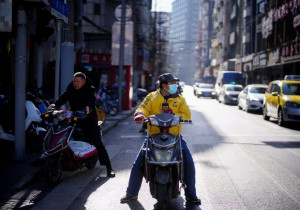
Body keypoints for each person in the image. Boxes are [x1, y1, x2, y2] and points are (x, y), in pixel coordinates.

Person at [120, 73, 201, 205]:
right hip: (153, 136)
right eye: (172, 83)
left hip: (175, 136)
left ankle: (191, 195)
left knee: (188, 161)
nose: (175, 85)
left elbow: (186, 114)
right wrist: (140, 114)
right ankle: (131, 193)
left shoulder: (180, 99)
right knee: (138, 162)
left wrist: (174, 115)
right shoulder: (152, 97)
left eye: (175, 83)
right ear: (164, 85)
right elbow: (143, 107)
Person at [49, 72, 115, 177]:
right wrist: (54, 105)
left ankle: (109, 167)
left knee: (98, 143)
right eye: (74, 81)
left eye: (78, 81)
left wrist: (87, 108)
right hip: (75, 118)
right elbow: (63, 98)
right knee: (62, 134)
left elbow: (90, 101)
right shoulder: (71, 89)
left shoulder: (89, 90)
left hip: (89, 119)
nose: (75, 83)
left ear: (83, 82)